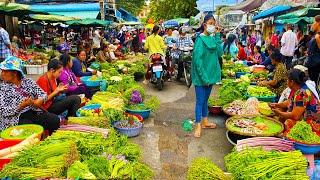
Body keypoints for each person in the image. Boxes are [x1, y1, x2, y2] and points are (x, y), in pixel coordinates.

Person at [0, 56, 60, 134]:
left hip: (32, 111)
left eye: (5, 71)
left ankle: (51, 140)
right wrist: (21, 106)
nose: (2, 74)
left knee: (54, 120)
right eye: (2, 71)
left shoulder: (28, 82)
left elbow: (43, 94)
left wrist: (40, 100)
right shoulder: (2, 88)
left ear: (14, 73)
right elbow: (3, 111)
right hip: (14, 118)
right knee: (31, 131)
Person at [192, 14, 223, 138]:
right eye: (210, 23)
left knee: (205, 100)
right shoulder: (200, 40)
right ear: (204, 25)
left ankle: (205, 121)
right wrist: (204, 78)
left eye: (213, 23)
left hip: (211, 76)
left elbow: (220, 53)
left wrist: (218, 36)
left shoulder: (213, 37)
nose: (212, 26)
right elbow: (197, 61)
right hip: (201, 77)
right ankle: (198, 125)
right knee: (200, 101)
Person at [270, 69, 320, 134]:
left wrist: (279, 113)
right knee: (281, 109)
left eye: (287, 80)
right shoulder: (297, 88)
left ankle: (285, 138)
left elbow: (295, 116)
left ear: (292, 82)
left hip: (313, 122)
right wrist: (276, 105)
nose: (286, 82)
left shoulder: (302, 93)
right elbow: (289, 102)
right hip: (303, 115)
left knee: (288, 122)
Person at [305, 15, 320, 83]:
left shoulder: (317, 37)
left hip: (315, 63)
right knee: (313, 80)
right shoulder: (315, 36)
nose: (313, 25)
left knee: (313, 81)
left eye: (315, 22)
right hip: (313, 62)